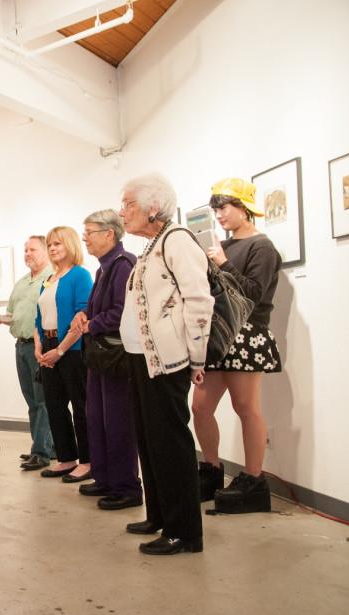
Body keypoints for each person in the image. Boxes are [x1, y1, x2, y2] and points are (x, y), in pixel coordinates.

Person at [118, 173, 213, 555]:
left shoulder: (176, 240)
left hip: (167, 361)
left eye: (128, 204)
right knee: (149, 440)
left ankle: (184, 531)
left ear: (152, 207)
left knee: (170, 444)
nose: (122, 212)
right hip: (143, 359)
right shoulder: (153, 244)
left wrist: (197, 357)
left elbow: (199, 301)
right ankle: (159, 514)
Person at [191, 178, 282, 512]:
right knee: (200, 407)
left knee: (246, 408)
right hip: (219, 333)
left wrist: (222, 264)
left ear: (245, 208)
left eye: (224, 207)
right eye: (216, 209)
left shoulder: (263, 247)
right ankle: (211, 469)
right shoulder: (223, 246)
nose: (219, 215)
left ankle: (253, 479)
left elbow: (254, 293)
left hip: (246, 334)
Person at [71, 211, 142, 509]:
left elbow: (124, 310)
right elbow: (99, 308)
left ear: (109, 234)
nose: (84, 237)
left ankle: (126, 487)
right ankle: (105, 478)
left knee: (118, 421)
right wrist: (84, 315)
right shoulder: (103, 269)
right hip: (101, 355)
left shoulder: (124, 265)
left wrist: (92, 325)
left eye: (88, 231)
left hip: (116, 356)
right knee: (97, 418)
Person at [0, 236, 55, 471]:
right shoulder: (21, 283)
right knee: (32, 400)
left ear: (46, 251)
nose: (28, 253)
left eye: (33, 249)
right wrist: (1, 319)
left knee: (42, 400)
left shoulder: (51, 279)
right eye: (25, 250)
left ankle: (40, 452)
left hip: (40, 347)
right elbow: (14, 316)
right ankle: (46, 446)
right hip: (21, 346)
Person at [35, 227, 93, 481]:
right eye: (49, 244)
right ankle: (67, 458)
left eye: (57, 243)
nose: (52, 248)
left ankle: (88, 460)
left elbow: (82, 317)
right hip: (48, 348)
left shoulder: (80, 275)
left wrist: (60, 350)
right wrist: (39, 347)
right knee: (55, 406)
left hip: (71, 349)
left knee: (81, 405)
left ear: (70, 245)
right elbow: (39, 318)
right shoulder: (49, 279)